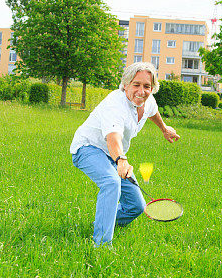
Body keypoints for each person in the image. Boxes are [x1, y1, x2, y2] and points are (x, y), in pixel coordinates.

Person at [70, 62, 180, 246]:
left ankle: (102, 224)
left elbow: (153, 112)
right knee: (111, 182)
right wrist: (121, 160)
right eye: (136, 84)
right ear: (126, 84)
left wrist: (164, 128)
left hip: (114, 155)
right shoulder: (115, 105)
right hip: (88, 148)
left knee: (136, 206)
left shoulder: (148, 100)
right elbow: (113, 137)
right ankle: (102, 244)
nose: (141, 91)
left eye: (147, 86)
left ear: (152, 88)